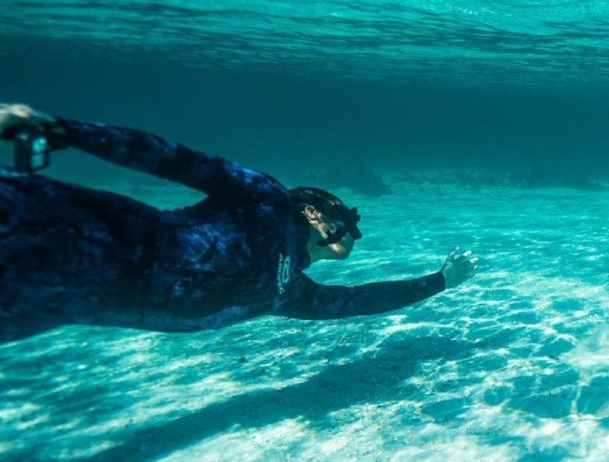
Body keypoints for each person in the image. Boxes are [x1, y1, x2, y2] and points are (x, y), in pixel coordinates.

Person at [0, 103, 477, 343]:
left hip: (38, 305)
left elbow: (359, 301)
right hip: (65, 225)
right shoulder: (266, 198)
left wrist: (439, 281)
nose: (352, 233)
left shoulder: (291, 292)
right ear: (314, 211)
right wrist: (65, 131)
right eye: (345, 218)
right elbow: (176, 161)